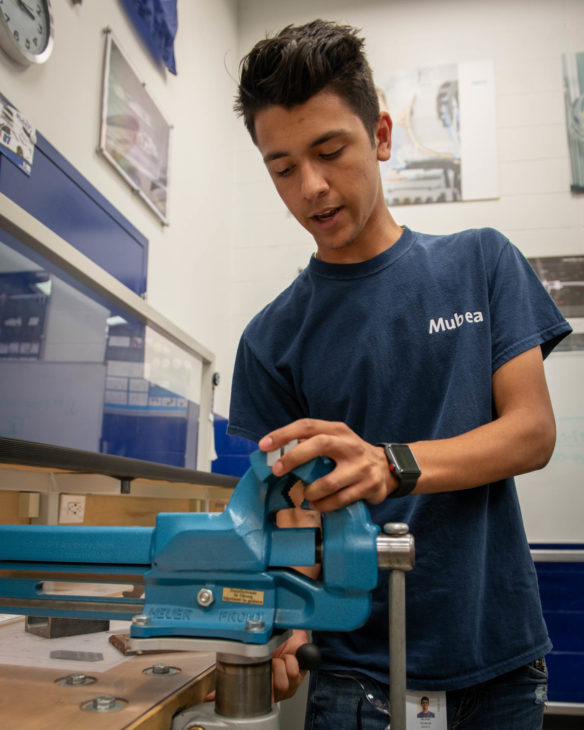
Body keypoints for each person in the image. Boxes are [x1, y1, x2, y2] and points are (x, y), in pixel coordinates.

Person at [228, 19, 572, 729]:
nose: (312, 188)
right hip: (355, 685)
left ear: (381, 135)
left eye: (330, 151)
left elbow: (532, 433)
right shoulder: (270, 340)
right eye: (283, 167)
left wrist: (393, 464)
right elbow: (297, 519)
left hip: (500, 670)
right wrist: (287, 615)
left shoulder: (480, 263)